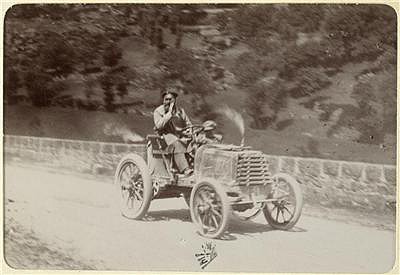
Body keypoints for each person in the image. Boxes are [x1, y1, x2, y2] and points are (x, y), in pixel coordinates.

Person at [153, 87, 193, 175]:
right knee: (177, 143)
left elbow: (189, 124)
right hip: (165, 136)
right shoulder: (158, 111)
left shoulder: (180, 111)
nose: (167, 102)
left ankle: (195, 165)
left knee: (196, 141)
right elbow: (159, 125)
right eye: (166, 99)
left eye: (170, 99)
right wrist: (169, 113)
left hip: (180, 135)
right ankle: (185, 169)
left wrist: (189, 131)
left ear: (174, 100)